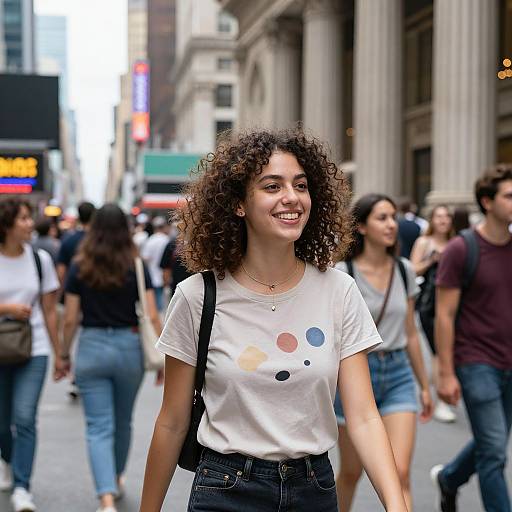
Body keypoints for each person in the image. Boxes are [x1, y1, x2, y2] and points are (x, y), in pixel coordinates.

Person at [140, 128, 409, 512]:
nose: (292, 198)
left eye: (300, 185)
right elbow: (172, 421)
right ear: (238, 204)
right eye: (272, 186)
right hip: (226, 489)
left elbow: (364, 417)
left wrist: (397, 505)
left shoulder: (339, 291)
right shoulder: (197, 296)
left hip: (313, 489)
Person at [333, 193, 433, 512]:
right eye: (382, 218)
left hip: (399, 374)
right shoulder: (342, 273)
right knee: (351, 472)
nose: (392, 224)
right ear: (361, 227)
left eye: (393, 217)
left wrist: (425, 385)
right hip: (354, 377)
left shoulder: (403, 269)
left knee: (399, 473)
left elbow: (410, 332)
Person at [61, 204, 162, 512]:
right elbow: (152, 314)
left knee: (98, 426)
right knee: (123, 422)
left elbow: (70, 318)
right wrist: (162, 357)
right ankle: (116, 478)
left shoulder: (81, 265)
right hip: (128, 346)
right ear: (126, 229)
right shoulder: (136, 264)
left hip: (91, 346)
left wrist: (63, 355)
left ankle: (106, 498)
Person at [431, 164, 512, 512]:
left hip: (510, 360)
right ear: (487, 201)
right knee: (494, 451)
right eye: (509, 195)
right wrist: (445, 372)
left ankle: (449, 478)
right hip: (476, 360)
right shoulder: (461, 249)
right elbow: (444, 315)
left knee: (490, 442)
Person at [0, 197, 66, 512]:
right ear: (6, 225)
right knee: (2, 422)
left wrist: (60, 354)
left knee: (24, 417)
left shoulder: (40, 259)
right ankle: (8, 459)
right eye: (24, 218)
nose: (30, 224)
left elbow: (50, 311)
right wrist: (7, 308)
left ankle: (22, 487)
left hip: (34, 347)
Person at [410, 205, 456, 423]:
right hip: (430, 305)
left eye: (446, 216)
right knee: (439, 351)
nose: (443, 220)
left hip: (456, 306)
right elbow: (411, 269)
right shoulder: (424, 242)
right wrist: (431, 260)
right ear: (432, 220)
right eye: (439, 216)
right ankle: (441, 403)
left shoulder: (457, 243)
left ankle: (443, 395)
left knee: (449, 350)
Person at [140, 216, 169, 311]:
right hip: (165, 275)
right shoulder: (167, 240)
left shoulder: (150, 240)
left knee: (155, 302)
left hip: (152, 275)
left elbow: (145, 258)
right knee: (163, 302)